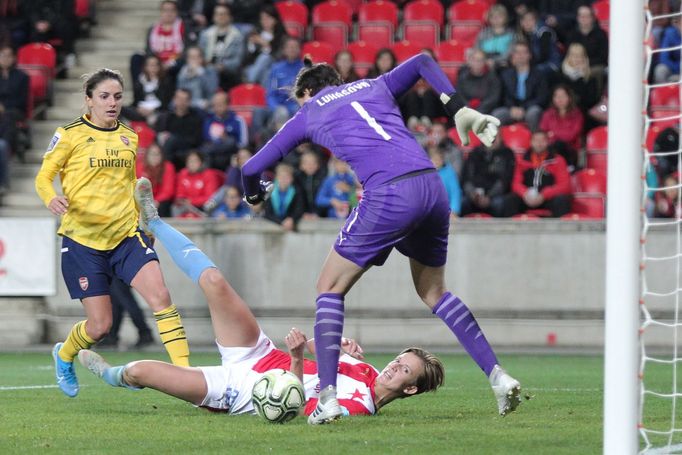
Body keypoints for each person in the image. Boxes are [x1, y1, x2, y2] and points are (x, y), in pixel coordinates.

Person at [240, 54, 521, 424]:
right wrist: (458, 107)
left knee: (329, 287)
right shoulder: (374, 84)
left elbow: (250, 168)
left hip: (388, 194)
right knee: (435, 293)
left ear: (307, 91)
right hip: (431, 186)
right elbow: (423, 60)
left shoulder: (309, 112)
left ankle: (327, 399)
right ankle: (498, 376)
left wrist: (255, 194)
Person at [79, 186, 445, 418]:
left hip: (241, 391)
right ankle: (155, 221)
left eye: (403, 371)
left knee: (141, 371)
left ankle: (112, 376)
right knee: (214, 281)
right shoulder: (364, 371)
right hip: (261, 353)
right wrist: (333, 346)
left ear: (409, 389)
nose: (394, 367)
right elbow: (320, 351)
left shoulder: (358, 408)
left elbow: (298, 408)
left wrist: (299, 359)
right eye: (400, 360)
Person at [34, 68, 191, 398]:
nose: (112, 103)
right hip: (82, 241)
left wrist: (142, 222)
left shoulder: (129, 136)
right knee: (100, 326)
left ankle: (189, 380)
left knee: (161, 298)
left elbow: (128, 185)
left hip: (125, 236)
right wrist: (52, 198)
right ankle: (64, 355)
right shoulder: (69, 134)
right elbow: (43, 177)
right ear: (88, 100)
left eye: (117, 96)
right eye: (104, 96)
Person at [507, 130, 572, 217]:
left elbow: (565, 185)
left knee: (562, 201)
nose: (539, 144)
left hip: (548, 198)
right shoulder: (521, 160)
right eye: (536, 140)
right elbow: (516, 183)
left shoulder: (558, 160)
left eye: (542, 140)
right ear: (531, 142)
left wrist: (544, 195)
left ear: (548, 142)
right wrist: (525, 194)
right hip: (527, 198)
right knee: (509, 201)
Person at [492, 41, 550, 132]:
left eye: (524, 52)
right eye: (517, 52)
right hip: (511, 109)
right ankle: (497, 145)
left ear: (529, 55)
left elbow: (542, 97)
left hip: (530, 108)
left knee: (533, 113)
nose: (520, 55)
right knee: (497, 115)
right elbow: (503, 96)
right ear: (513, 55)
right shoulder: (506, 74)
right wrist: (512, 108)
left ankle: (536, 142)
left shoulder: (539, 74)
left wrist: (524, 108)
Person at [460, 135, 517, 218]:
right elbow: (466, 177)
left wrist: (489, 196)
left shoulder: (507, 154)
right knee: (461, 202)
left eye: (495, 136)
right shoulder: (474, 153)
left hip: (494, 195)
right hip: (474, 195)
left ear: (501, 138)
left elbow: (504, 181)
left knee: (500, 204)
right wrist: (472, 194)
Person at [98, 277, 155, 350]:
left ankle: (145, 333)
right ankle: (112, 336)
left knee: (125, 299)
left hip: (115, 270)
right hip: (115, 270)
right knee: (117, 301)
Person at [198, 3, 245, 91]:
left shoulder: (237, 36)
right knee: (187, 72)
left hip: (227, 72)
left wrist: (223, 66)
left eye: (223, 14)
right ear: (213, 17)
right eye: (217, 14)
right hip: (206, 68)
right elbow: (199, 54)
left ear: (230, 17)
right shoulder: (205, 35)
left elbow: (237, 61)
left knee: (211, 71)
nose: (220, 16)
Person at [155, 88, 204, 169]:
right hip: (170, 149)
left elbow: (196, 140)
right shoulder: (167, 117)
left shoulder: (195, 118)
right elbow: (159, 133)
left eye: (185, 99)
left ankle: (163, 169)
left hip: (187, 149)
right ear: (174, 99)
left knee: (172, 140)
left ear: (189, 102)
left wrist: (176, 139)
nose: (181, 102)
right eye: (179, 99)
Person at [539, 84, 583, 171]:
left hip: (570, 151)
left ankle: (568, 168)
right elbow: (543, 135)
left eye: (562, 96)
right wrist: (560, 134)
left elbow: (571, 136)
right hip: (551, 150)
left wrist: (553, 134)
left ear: (569, 98)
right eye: (556, 96)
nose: (559, 99)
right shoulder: (547, 114)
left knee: (560, 144)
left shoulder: (577, 115)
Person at [200, 91, 248, 170]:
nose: (216, 108)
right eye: (214, 105)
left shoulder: (237, 120)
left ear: (227, 105)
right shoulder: (208, 120)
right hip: (212, 154)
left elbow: (243, 144)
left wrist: (225, 138)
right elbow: (206, 140)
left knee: (230, 142)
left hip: (230, 153)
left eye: (220, 105)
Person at [173, 150, 222, 218]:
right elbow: (179, 192)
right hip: (186, 206)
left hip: (202, 207)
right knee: (175, 208)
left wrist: (192, 201)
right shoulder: (183, 173)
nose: (192, 163)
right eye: (189, 161)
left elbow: (211, 197)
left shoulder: (209, 174)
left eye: (195, 161)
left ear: (201, 162)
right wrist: (181, 199)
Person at [455, 48, 502, 116]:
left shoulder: (493, 77)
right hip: (466, 111)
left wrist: (479, 111)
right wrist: (468, 109)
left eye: (480, 60)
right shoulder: (462, 77)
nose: (477, 63)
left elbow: (493, 99)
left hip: (487, 111)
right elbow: (460, 96)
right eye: (474, 60)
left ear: (485, 62)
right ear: (469, 61)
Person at [135, 142, 176, 218]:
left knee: (164, 205)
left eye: (157, 154)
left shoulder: (168, 167)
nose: (155, 157)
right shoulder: (140, 166)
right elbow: (137, 188)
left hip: (160, 201)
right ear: (147, 155)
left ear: (162, 156)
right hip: (143, 200)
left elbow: (168, 190)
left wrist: (157, 201)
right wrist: (147, 202)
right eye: (152, 154)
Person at [176, 45, 219, 111]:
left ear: (202, 58)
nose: (194, 60)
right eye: (191, 57)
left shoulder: (210, 70)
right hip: (188, 106)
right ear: (187, 59)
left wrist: (201, 73)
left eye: (197, 57)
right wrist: (187, 75)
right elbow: (180, 91)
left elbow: (212, 90)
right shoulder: (183, 71)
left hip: (207, 106)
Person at [263, 162, 305, 230]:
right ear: (276, 178)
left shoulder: (297, 191)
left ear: (291, 179)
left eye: (287, 177)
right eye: (281, 177)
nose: (284, 180)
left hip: (290, 222)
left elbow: (299, 209)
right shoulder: (270, 191)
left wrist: (292, 219)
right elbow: (267, 213)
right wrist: (281, 222)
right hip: (277, 223)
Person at [475, 4, 514, 70]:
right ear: (489, 18)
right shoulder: (483, 33)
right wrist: (485, 60)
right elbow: (477, 49)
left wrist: (495, 61)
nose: (496, 19)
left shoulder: (511, 34)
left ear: (505, 18)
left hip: (503, 65)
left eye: (499, 16)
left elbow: (510, 52)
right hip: (484, 63)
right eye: (493, 16)